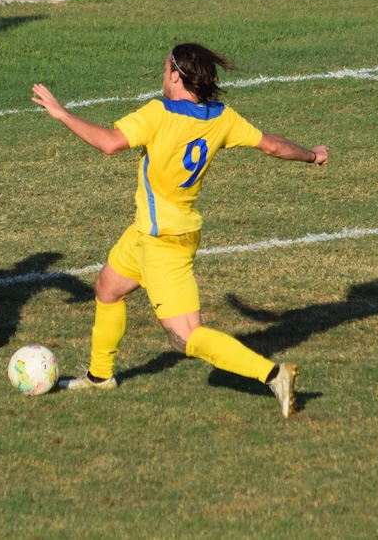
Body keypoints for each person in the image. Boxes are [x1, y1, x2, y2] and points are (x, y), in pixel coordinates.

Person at [31, 43, 329, 417]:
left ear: (176, 74)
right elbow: (273, 146)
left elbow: (109, 144)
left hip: (164, 244)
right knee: (108, 287)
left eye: (164, 67)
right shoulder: (222, 118)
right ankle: (99, 377)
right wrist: (313, 155)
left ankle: (272, 374)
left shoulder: (159, 113)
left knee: (185, 338)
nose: (161, 74)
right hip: (146, 233)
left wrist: (61, 114)